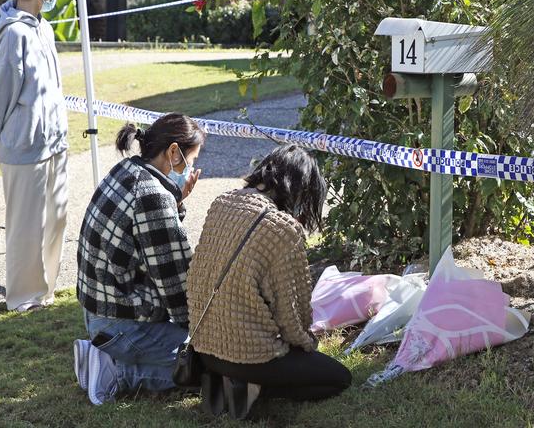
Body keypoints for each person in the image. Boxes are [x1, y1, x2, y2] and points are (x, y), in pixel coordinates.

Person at [186, 145, 352, 419]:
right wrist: (308, 346)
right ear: (301, 188)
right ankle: (256, 387)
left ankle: (231, 380)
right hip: (250, 356)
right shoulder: (282, 228)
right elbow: (292, 316)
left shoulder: (222, 203)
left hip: (203, 350)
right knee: (338, 377)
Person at [74, 114, 204, 406]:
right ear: (173, 152)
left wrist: (177, 202)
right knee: (210, 365)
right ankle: (118, 372)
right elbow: (178, 283)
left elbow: (152, 244)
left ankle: (105, 357)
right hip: (122, 324)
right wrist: (199, 338)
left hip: (100, 313)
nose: (192, 168)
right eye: (192, 159)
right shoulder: (153, 196)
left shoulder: (127, 170)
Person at [0, 0, 68, 312]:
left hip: (54, 143)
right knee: (25, 228)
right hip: (22, 146)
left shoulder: (44, 28)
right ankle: (22, 298)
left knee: (57, 218)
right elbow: (0, 94)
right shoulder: (14, 34)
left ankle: (45, 290)